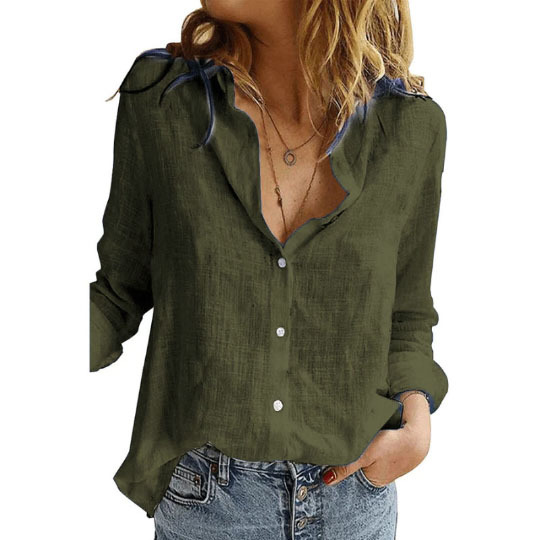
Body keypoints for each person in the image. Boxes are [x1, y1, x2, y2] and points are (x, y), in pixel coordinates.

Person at [89, 1, 449, 538]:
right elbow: (116, 293)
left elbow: (406, 316)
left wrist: (415, 423)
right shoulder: (163, 99)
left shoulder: (412, 128)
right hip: (208, 505)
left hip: (356, 503)